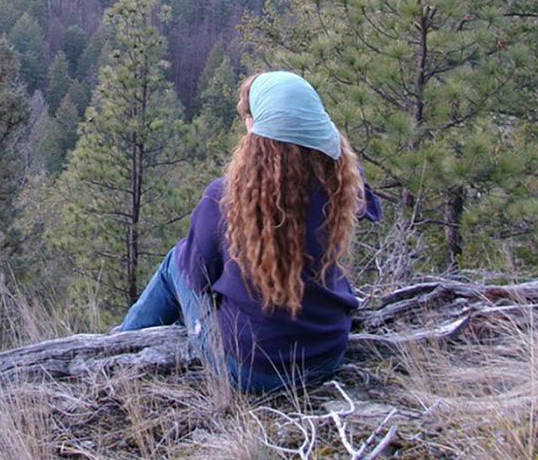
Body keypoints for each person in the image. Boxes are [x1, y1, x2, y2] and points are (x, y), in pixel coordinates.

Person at [117, 71, 382, 393]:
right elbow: (371, 208)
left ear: (256, 132)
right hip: (326, 356)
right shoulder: (340, 190)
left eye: (248, 117)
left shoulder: (226, 199)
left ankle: (119, 349)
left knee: (176, 261)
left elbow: (197, 277)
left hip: (249, 370)